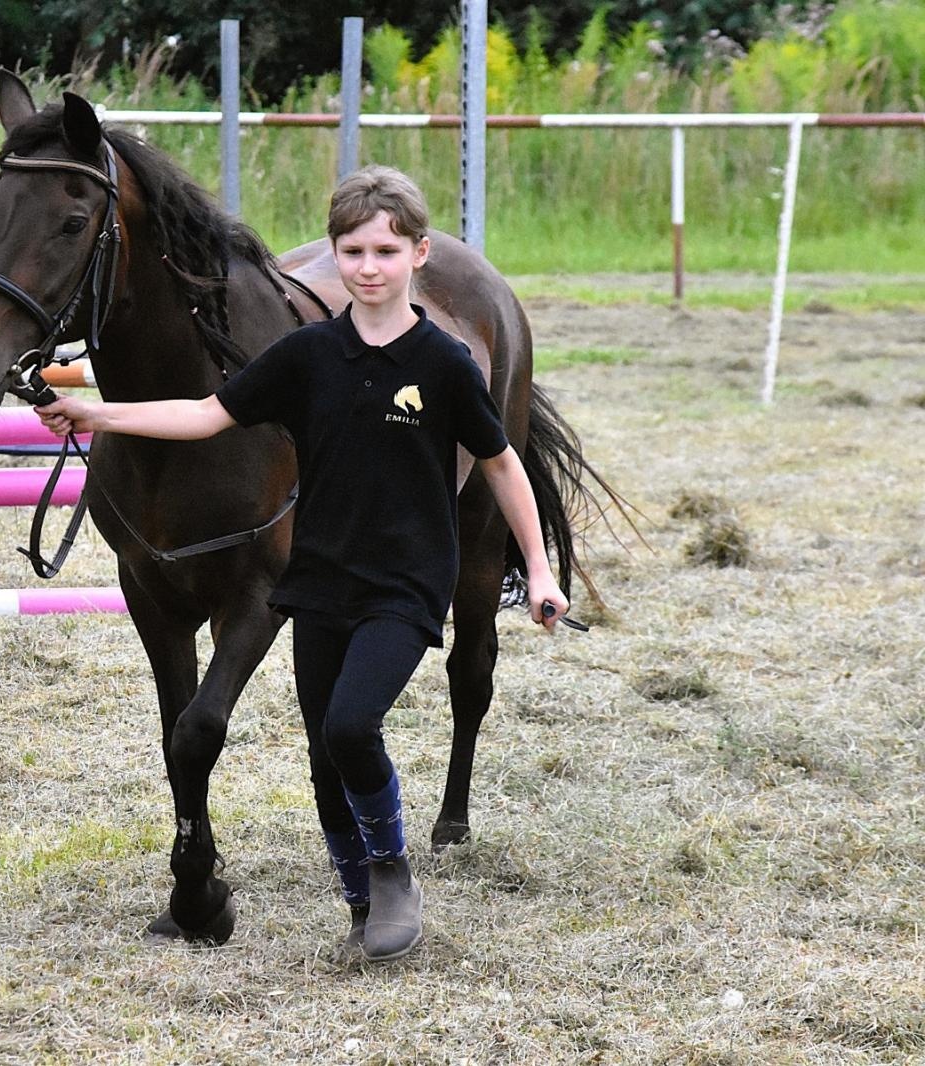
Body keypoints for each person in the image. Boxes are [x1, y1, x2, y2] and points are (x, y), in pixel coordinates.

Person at [36, 165, 569, 962]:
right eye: (352, 251)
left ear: (419, 254)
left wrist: (539, 568)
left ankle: (391, 874)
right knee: (323, 755)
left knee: (352, 726)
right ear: (333, 253)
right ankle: (361, 906)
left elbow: (499, 462)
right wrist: (94, 411)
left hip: (404, 582)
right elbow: (206, 414)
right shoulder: (306, 354)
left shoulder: (447, 361)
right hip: (319, 581)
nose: (368, 267)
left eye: (386, 251)